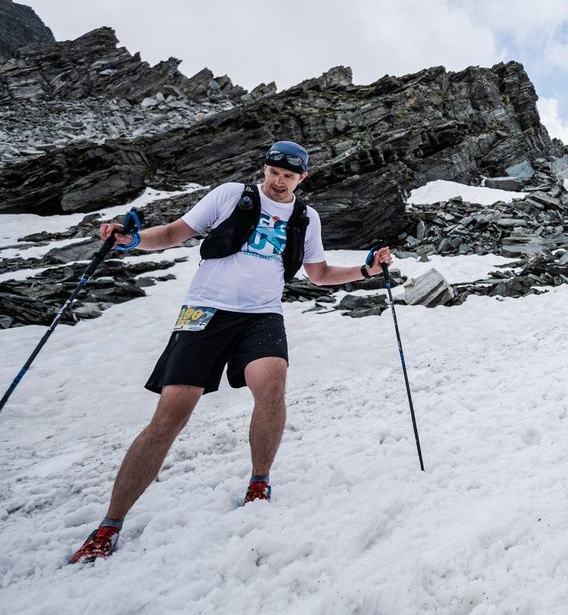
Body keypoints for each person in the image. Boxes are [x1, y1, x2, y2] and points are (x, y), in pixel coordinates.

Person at [70, 141, 395, 563]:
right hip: (204, 310)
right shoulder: (230, 196)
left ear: (302, 178)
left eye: (288, 176)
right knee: (172, 414)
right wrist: (131, 240)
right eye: (273, 173)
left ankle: (259, 480)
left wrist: (365, 270)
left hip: (261, 314)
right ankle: (109, 525)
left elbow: (318, 274)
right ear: (264, 169)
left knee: (272, 385)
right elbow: (173, 233)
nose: (279, 182)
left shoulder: (305, 217)